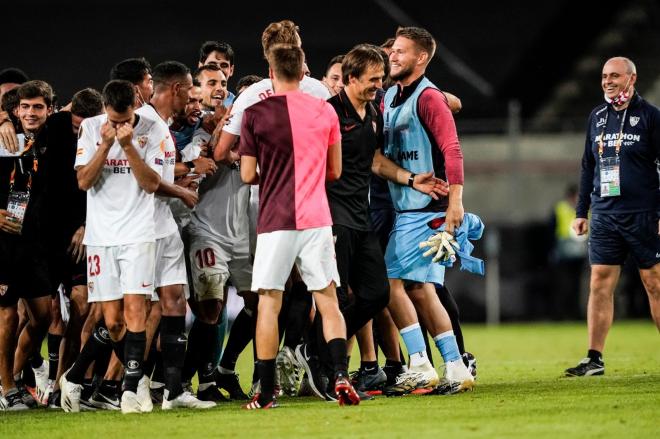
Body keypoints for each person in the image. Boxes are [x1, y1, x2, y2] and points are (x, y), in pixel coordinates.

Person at [239, 43, 359, 409]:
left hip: (276, 220)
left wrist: (274, 174)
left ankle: (265, 391)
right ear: (303, 72)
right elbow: (335, 171)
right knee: (328, 301)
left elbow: (246, 174)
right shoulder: (325, 111)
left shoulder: (255, 113)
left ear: (271, 73)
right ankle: (340, 374)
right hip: (316, 218)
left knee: (268, 304)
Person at [380, 26, 474, 395]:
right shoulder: (391, 95)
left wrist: (456, 201)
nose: (393, 56)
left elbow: (452, 149)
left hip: (426, 209)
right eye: (393, 51)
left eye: (401, 51)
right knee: (421, 289)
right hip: (411, 207)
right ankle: (454, 366)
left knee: (389, 284)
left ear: (421, 58)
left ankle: (419, 362)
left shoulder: (428, 97)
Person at [63, 80, 165, 414]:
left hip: (138, 232)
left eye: (125, 120)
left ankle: (131, 390)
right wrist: (105, 146)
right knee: (113, 322)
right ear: (104, 109)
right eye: (114, 119)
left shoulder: (153, 129)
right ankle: (77, 377)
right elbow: (82, 182)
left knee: (136, 309)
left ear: (134, 108)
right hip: (102, 236)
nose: (119, 126)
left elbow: (152, 184)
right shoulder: (92, 129)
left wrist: (130, 147)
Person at [565, 57, 660, 377]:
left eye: (615, 76)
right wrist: (582, 212)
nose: (608, 81)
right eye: (604, 76)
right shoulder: (597, 117)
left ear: (632, 79)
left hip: (644, 213)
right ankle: (594, 358)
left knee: (654, 283)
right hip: (605, 214)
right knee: (599, 282)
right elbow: (587, 166)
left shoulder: (650, 116)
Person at [198, 41, 237, 106]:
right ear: (200, 67)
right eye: (212, 64)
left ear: (231, 70)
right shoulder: (184, 102)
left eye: (224, 65)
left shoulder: (238, 105)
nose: (218, 69)